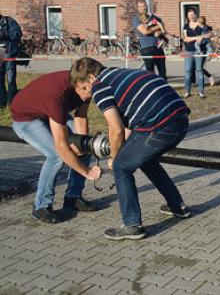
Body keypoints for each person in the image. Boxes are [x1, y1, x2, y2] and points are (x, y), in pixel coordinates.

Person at [71, 57, 191, 240]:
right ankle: (177, 206)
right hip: (181, 120)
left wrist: (114, 157)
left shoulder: (100, 86)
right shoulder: (122, 74)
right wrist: (123, 150)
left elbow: (116, 129)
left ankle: (132, 225)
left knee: (121, 167)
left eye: (82, 88)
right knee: (147, 161)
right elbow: (128, 126)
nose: (84, 96)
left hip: (158, 126)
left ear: (89, 78)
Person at [10, 71, 102, 223]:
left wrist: (80, 144)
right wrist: (88, 172)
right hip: (26, 119)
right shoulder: (56, 96)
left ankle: (73, 197)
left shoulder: (86, 84)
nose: (90, 96)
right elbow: (61, 147)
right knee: (56, 156)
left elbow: (81, 116)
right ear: (79, 86)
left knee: (85, 145)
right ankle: (41, 206)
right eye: (88, 91)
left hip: (51, 113)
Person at [132, 1, 166, 80]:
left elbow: (163, 27)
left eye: (144, 6)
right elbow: (145, 32)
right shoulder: (136, 19)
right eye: (141, 6)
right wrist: (157, 27)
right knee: (150, 72)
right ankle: (151, 88)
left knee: (162, 71)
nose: (143, 8)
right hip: (147, 48)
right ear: (138, 8)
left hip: (158, 47)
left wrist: (160, 31)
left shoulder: (153, 17)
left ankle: (164, 88)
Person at [181, 8, 208, 99]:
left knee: (199, 70)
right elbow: (185, 39)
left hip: (198, 51)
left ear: (196, 15)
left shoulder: (200, 25)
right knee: (188, 71)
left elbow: (209, 33)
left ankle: (201, 92)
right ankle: (187, 91)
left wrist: (203, 36)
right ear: (187, 16)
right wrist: (196, 38)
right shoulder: (185, 26)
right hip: (188, 51)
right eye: (189, 15)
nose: (191, 16)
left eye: (192, 14)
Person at [0, 13, 21, 107]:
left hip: (8, 52)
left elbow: (17, 34)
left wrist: (4, 34)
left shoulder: (9, 21)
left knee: (10, 79)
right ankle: (1, 102)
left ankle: (12, 102)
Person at [195, 16, 216, 87]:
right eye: (199, 20)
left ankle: (210, 77)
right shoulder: (196, 28)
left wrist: (204, 36)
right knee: (195, 67)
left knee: (199, 67)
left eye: (202, 20)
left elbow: (212, 33)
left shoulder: (207, 27)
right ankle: (194, 81)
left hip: (203, 49)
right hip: (195, 48)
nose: (201, 21)